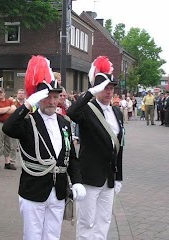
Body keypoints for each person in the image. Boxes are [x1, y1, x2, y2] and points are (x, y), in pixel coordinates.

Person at [2, 55, 86, 240]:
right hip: (34, 190)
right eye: (47, 97)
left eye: (55, 97)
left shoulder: (64, 123)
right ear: (39, 98)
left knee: (52, 236)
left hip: (58, 190)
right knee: (33, 236)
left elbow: (70, 155)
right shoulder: (28, 121)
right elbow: (8, 128)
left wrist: (77, 180)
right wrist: (28, 104)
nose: (51, 101)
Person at [67, 56, 124, 240]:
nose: (108, 92)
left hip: (109, 176)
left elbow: (119, 146)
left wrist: (119, 176)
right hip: (90, 176)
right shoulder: (87, 109)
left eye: (111, 88)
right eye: (105, 88)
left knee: (104, 220)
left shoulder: (116, 112)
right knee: (87, 222)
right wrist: (91, 92)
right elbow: (71, 112)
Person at [0, 87, 17, 171]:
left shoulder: (9, 101)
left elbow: (14, 110)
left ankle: (7, 162)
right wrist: (8, 108)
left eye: (1, 93)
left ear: (4, 93)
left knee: (8, 143)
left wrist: (4, 110)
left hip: (8, 124)